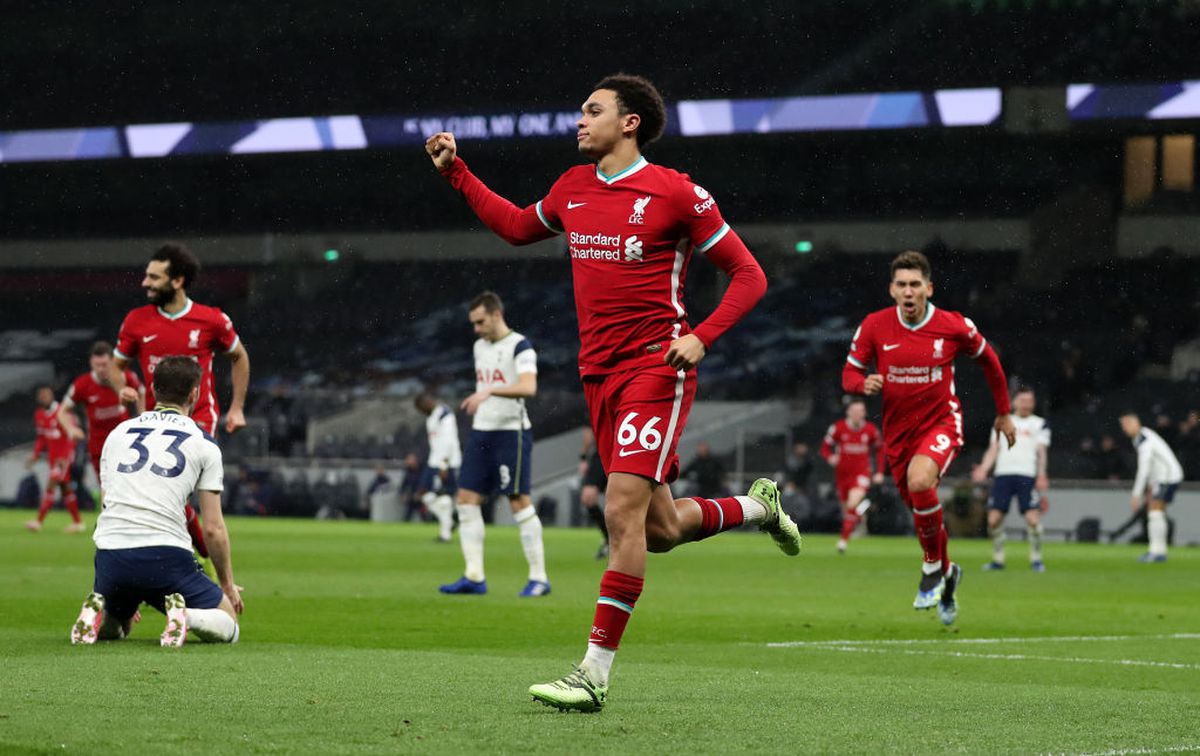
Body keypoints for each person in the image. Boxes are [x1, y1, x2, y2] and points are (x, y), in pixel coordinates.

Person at [427, 73, 798, 713]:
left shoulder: (675, 192)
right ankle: (757, 507)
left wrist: (703, 337)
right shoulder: (572, 188)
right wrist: (458, 172)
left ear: (629, 123)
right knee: (659, 530)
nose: (580, 120)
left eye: (592, 111)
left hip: (657, 368)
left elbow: (749, 273)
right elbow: (516, 227)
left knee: (620, 511)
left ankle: (593, 673)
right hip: (598, 374)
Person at [843, 250, 1014, 626]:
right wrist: (862, 383)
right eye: (901, 284)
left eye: (915, 284)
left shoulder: (953, 326)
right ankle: (949, 575)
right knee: (922, 502)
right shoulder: (874, 326)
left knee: (921, 481)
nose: (908, 291)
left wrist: (1003, 411)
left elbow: (990, 360)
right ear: (891, 289)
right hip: (898, 436)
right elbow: (849, 374)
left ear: (929, 288)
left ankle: (932, 566)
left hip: (941, 424)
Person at [70, 356, 243, 646]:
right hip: (166, 557)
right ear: (194, 394)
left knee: (120, 627)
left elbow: (109, 503)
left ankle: (102, 614)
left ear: (152, 389)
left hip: (113, 555)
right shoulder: (204, 444)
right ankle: (187, 616)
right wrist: (226, 583)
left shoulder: (118, 434)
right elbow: (212, 528)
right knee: (229, 625)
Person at [108, 243, 251, 564]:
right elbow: (117, 367)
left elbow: (239, 357)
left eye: (154, 277)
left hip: (198, 418)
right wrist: (123, 389)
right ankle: (200, 561)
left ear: (178, 281)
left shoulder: (211, 320)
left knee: (174, 492)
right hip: (153, 420)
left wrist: (237, 406)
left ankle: (189, 563)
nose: (145, 283)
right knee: (167, 496)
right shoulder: (136, 321)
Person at [438, 292, 549, 597]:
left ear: (496, 314)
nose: (476, 329)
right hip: (482, 431)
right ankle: (474, 577)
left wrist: (490, 392)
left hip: (510, 432)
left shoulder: (520, 346)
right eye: (473, 323)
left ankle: (539, 578)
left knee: (518, 501)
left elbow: (529, 386)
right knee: (466, 499)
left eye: (480, 321)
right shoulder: (479, 346)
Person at [971, 387, 1050, 572]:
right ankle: (998, 559)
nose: (1026, 405)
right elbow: (994, 448)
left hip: (1027, 476)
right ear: (1014, 402)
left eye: (1029, 401)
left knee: (1033, 520)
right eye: (1022, 401)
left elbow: (1041, 451)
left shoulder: (1040, 424)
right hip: (1003, 475)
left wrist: (1042, 473)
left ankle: (1036, 559)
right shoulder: (1002, 421)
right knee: (993, 520)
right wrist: (983, 468)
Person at [56, 341, 145, 482]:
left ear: (112, 362)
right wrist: (70, 429)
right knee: (106, 485)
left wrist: (143, 416)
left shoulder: (126, 377)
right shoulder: (82, 385)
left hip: (125, 442)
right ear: (91, 363)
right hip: (99, 446)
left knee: (129, 484)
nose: (101, 369)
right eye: (97, 365)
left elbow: (141, 392)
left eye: (105, 365)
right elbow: (62, 412)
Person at [820, 398, 885, 554]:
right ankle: (860, 522)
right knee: (847, 512)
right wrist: (830, 458)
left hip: (862, 474)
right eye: (854, 411)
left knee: (852, 504)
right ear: (848, 412)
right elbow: (824, 448)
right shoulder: (838, 428)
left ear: (864, 413)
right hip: (842, 476)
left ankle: (843, 541)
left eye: (860, 411)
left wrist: (880, 472)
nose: (857, 414)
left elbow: (880, 450)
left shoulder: (870, 430)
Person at [1119, 411, 1184, 563]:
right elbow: (1154, 465)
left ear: (1135, 423)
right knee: (1155, 513)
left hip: (1168, 477)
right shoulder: (1142, 436)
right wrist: (1150, 488)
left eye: (1126, 424)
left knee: (1155, 512)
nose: (1124, 429)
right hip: (1163, 478)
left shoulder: (1144, 440)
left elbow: (1144, 468)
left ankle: (1157, 552)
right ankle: (1158, 551)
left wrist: (1136, 494)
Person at [25, 385, 84, 533]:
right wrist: (35, 454)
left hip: (64, 457)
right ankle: (78, 523)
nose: (44, 398)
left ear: (52, 396)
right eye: (41, 395)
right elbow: (41, 438)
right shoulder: (39, 414)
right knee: (65, 489)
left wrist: (67, 456)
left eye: (46, 395)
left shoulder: (62, 412)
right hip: (53, 458)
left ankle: (38, 521)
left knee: (51, 484)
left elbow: (73, 435)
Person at [414, 391, 463, 543]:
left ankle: (445, 533)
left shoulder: (445, 415)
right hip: (434, 461)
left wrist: (444, 465)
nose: (420, 411)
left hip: (446, 463)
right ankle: (450, 523)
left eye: (420, 408)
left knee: (443, 497)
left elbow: (449, 442)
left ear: (426, 403)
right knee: (425, 495)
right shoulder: (433, 416)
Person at [579, 429, 610, 560]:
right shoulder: (595, 408)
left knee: (618, 500)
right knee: (588, 497)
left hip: (625, 449)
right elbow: (588, 431)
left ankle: (622, 542)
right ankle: (609, 538)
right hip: (601, 454)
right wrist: (583, 457)